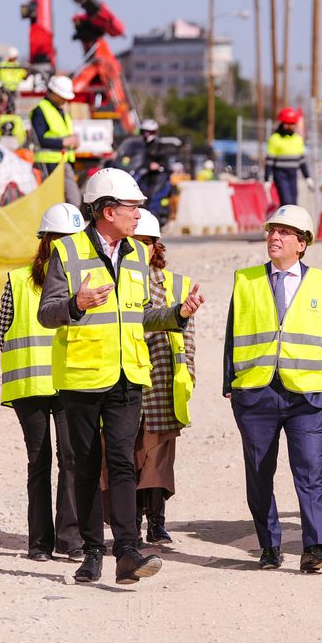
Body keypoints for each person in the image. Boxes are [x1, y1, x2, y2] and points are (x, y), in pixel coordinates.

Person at [38, 168, 204, 585]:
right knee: (86, 466)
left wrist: (177, 314)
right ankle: (92, 551)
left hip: (129, 374)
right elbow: (46, 312)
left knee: (122, 464)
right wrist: (75, 303)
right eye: (132, 207)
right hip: (82, 376)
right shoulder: (68, 252)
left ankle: (127, 550)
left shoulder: (136, 253)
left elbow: (142, 314)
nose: (138, 214)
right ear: (107, 211)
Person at [223, 204, 322, 573]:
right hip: (256, 392)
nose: (275, 237)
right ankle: (269, 545)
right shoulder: (245, 280)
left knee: (310, 470)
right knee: (259, 473)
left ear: (302, 244)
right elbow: (233, 333)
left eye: (285, 232)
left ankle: (315, 548)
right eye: (272, 231)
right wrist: (232, 384)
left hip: (307, 395)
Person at [0, 202, 86, 563]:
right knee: (60, 460)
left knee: (62, 460)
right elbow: (5, 331)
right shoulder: (25, 280)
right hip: (41, 385)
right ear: (48, 243)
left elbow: (1, 334)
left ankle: (52, 543)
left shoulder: (76, 281)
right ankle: (56, 541)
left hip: (62, 382)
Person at [127, 209, 195, 545]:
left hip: (162, 381)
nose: (141, 249)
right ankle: (130, 524)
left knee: (157, 458)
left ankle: (156, 522)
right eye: (135, 242)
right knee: (128, 456)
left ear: (157, 247)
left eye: (146, 243)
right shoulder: (114, 280)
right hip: (126, 377)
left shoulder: (175, 284)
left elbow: (189, 338)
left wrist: (189, 376)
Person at [30, 74, 81, 207]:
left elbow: (62, 133)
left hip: (63, 160)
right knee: (51, 202)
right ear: (54, 93)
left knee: (73, 200)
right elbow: (40, 139)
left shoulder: (60, 110)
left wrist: (73, 142)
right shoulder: (41, 110)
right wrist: (64, 142)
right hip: (48, 163)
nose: (65, 100)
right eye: (63, 96)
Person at [265, 107, 314, 206]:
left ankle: (291, 220)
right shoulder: (274, 139)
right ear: (282, 124)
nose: (289, 126)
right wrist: (267, 179)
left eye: (292, 124)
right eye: (287, 124)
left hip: (293, 174)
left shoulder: (298, 139)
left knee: (293, 202)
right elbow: (269, 161)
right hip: (280, 174)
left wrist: (307, 177)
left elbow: (301, 161)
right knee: (286, 201)